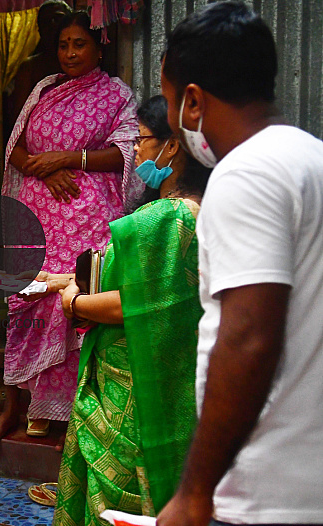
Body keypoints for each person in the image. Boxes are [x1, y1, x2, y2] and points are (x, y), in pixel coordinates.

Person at [155, 3, 323, 526]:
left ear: (193, 101)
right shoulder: (311, 159)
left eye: (169, 102)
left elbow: (248, 336)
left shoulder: (245, 174)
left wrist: (195, 492)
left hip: (267, 491)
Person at [41, 95, 210, 525]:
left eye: (142, 139)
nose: (135, 150)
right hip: (174, 373)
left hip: (133, 383)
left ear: (172, 146)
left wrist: (74, 302)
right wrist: (58, 280)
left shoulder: (166, 218)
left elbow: (133, 303)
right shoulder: (199, 210)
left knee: (118, 501)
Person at [0, 10, 142, 445]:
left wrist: (69, 159)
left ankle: (75, 408)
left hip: (88, 219)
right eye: (64, 45)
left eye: (80, 44)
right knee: (28, 300)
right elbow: (15, 148)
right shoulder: (44, 89)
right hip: (39, 216)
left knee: (78, 301)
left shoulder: (116, 94)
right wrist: (47, 169)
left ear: (99, 48)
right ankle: (23, 406)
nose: (70, 53)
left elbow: (126, 152)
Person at [4, 0, 72, 140]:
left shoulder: (81, 61)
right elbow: (19, 119)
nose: (53, 25)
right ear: (39, 30)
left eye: (58, 18)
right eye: (46, 22)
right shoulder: (30, 67)